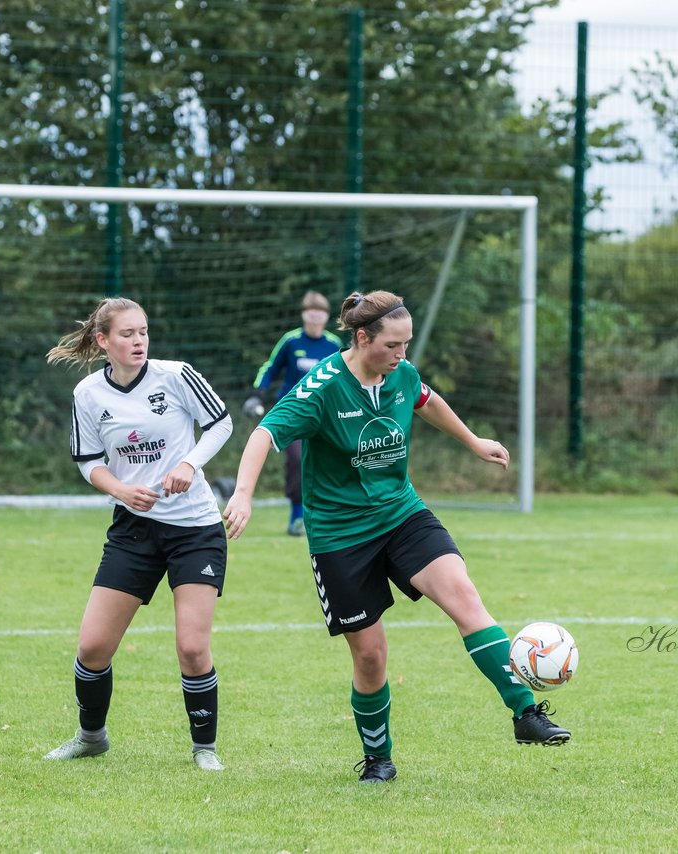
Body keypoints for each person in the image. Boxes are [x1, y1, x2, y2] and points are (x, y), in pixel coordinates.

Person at [223, 290, 570, 784]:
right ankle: (378, 757)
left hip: (402, 513)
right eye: (392, 345)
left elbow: (426, 399)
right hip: (341, 535)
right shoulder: (321, 388)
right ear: (362, 338)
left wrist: (473, 442)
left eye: (406, 344)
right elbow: (265, 434)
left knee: (464, 596)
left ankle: (525, 713)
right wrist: (243, 494)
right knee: (370, 656)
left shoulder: (400, 374)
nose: (402, 355)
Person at [43, 297, 233, 771]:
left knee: (192, 647)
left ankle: (204, 749)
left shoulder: (176, 375)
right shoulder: (88, 394)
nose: (138, 342)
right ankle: (91, 738)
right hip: (134, 529)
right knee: (92, 647)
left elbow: (221, 423)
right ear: (103, 341)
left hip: (195, 529)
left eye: (143, 332)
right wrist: (122, 491)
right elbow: (88, 462)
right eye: (127, 334)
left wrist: (190, 463)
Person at [243, 290, 342, 536]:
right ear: (304, 315)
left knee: (331, 462)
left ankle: (327, 517)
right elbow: (270, 368)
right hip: (294, 414)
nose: (315, 317)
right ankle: (297, 517)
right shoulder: (291, 341)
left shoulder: (333, 345)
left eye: (320, 312)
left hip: (326, 414)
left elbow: (345, 378)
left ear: (326, 316)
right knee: (298, 461)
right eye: (311, 312)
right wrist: (258, 394)